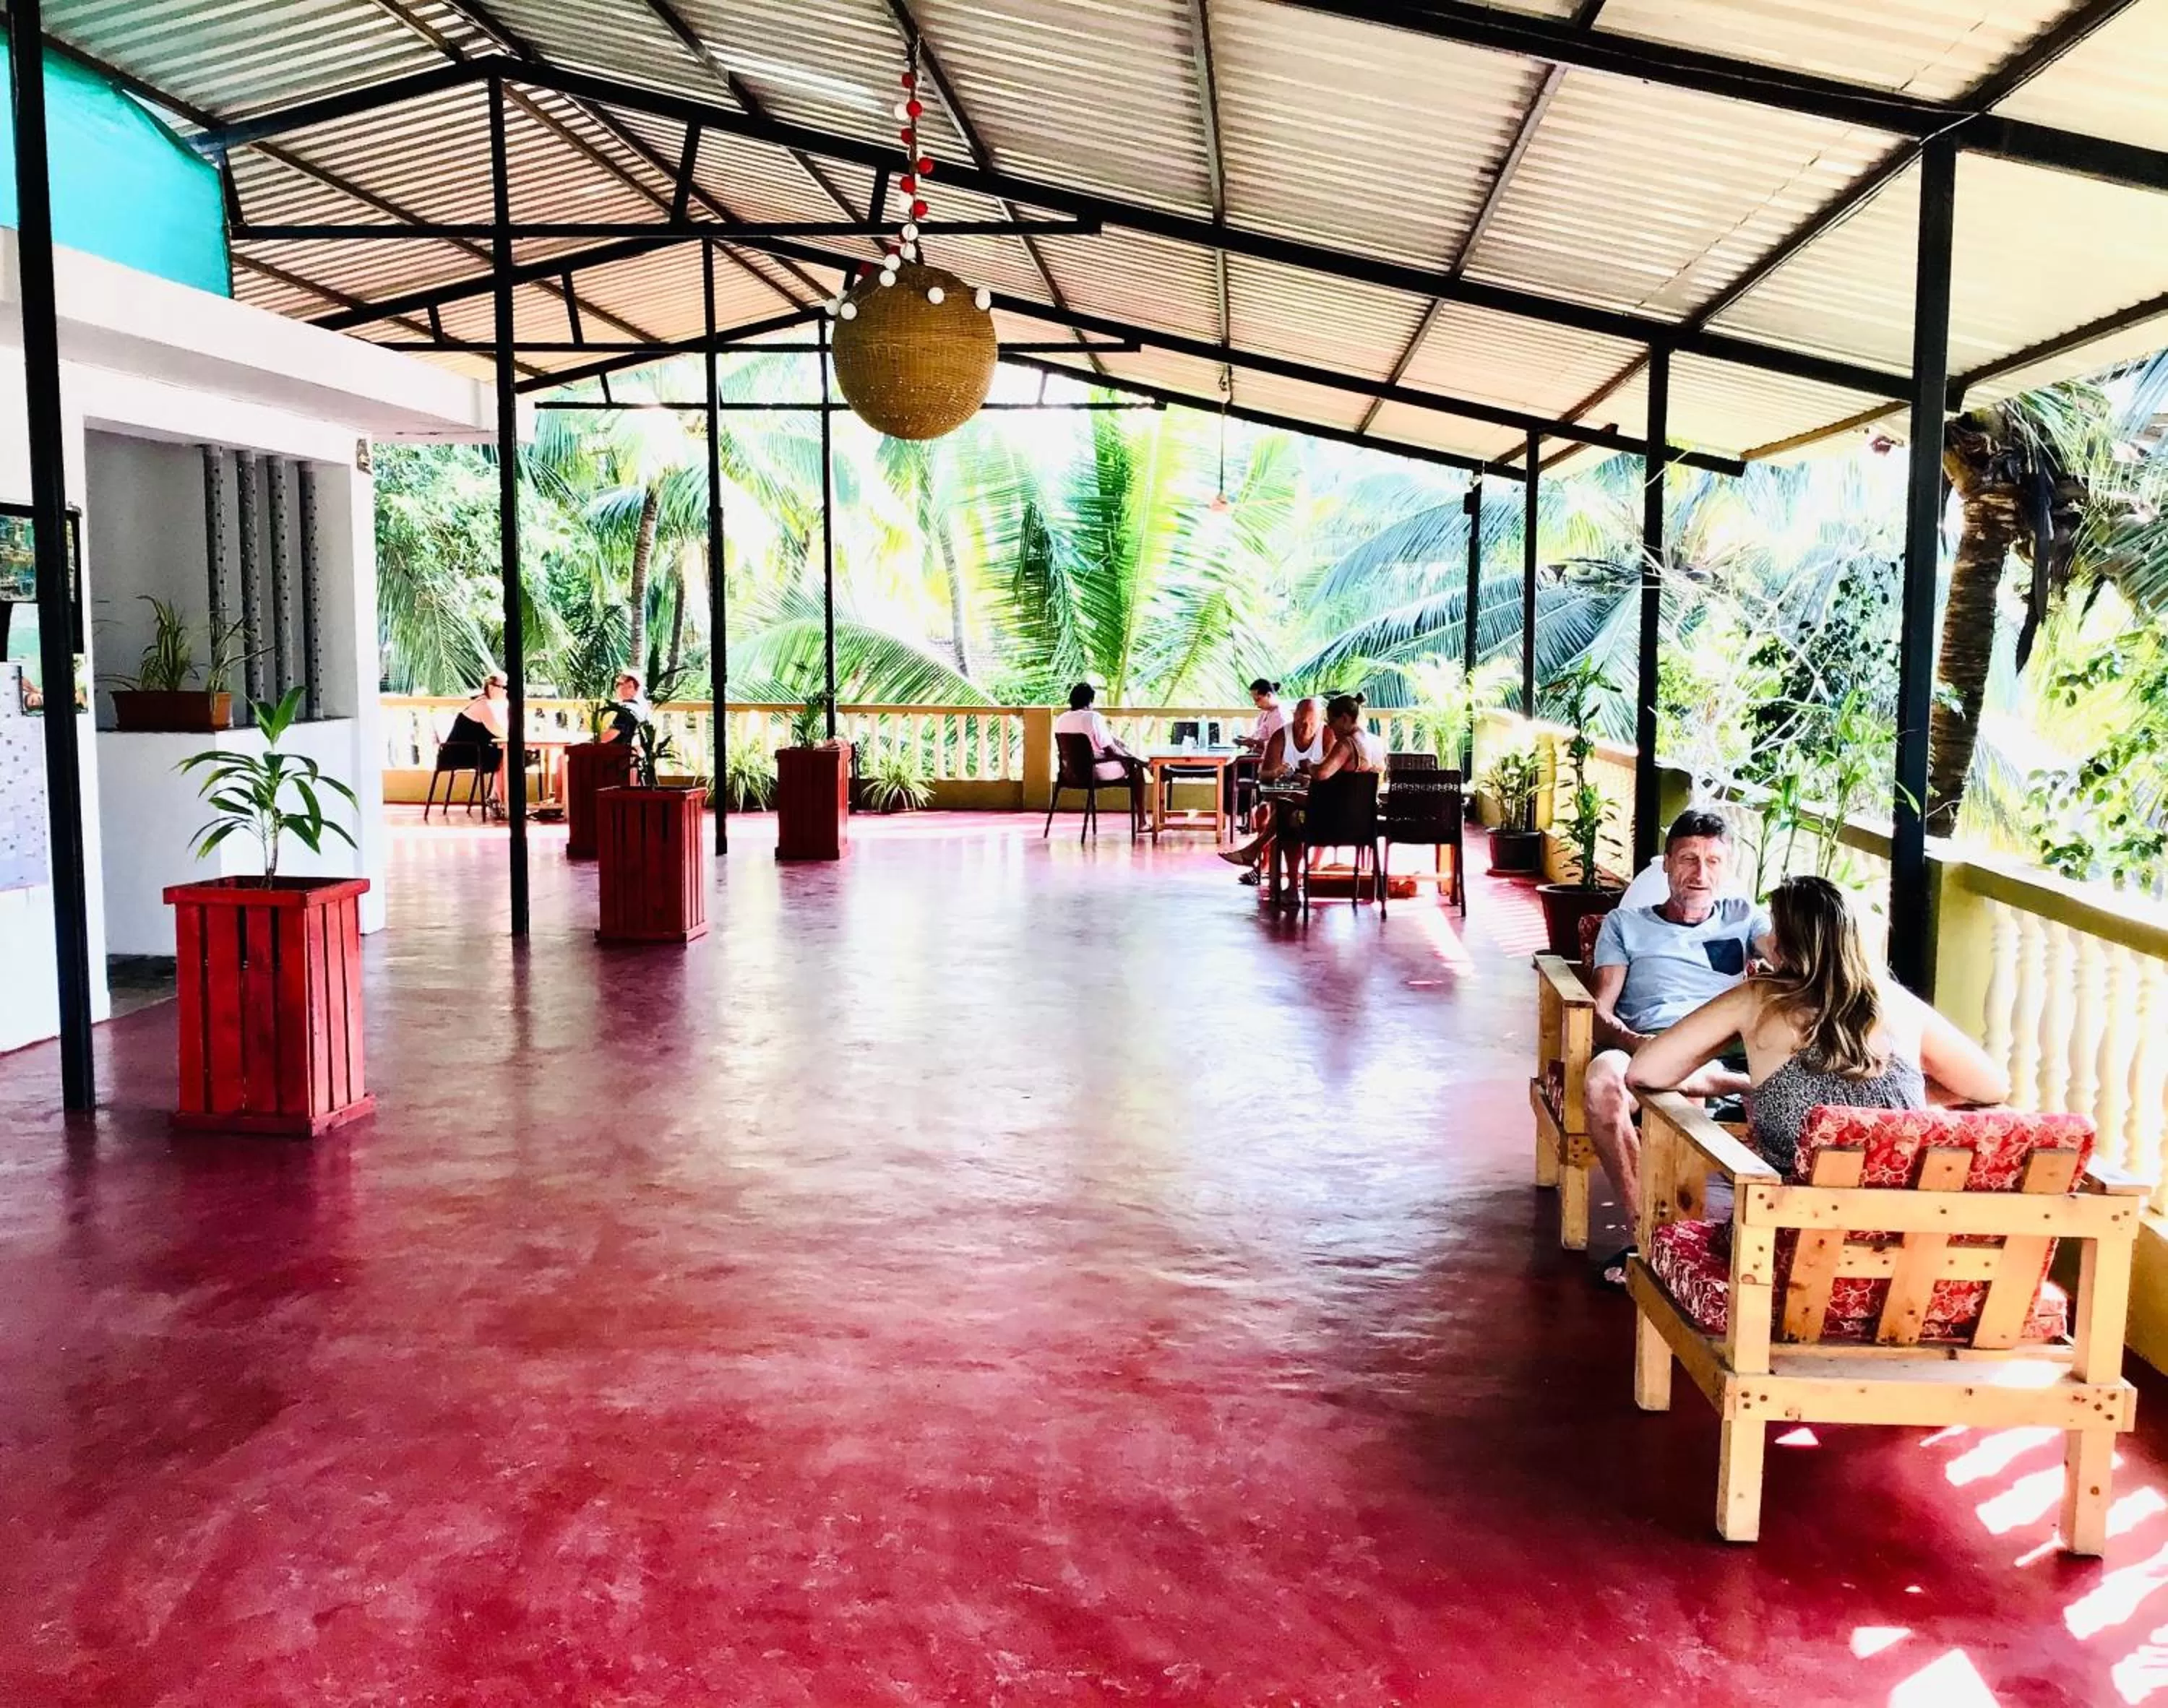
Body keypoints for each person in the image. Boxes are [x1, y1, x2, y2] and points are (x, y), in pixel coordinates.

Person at [1627, 874, 2008, 1177]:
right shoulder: (1896, 1002)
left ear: (1792, 943)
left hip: (1787, 1246)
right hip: (1901, 1245)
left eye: (1775, 929)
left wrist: (1732, 1067)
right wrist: (1886, 1108)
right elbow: (1990, 1086)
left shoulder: (1758, 998)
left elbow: (1645, 1071)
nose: (1767, 939)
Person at [1580, 811, 1769, 1281]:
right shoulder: (1625, 924)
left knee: (1682, 1094)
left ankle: (1653, 1246)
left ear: (1727, 868)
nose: (1700, 874)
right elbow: (1600, 1014)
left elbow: (1794, 956)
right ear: (1666, 864)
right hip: (1642, 1047)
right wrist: (1634, 1041)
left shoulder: (1745, 919)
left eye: (1712, 861)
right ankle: (1650, 1235)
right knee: (1602, 1083)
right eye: (1688, 859)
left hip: (1718, 1050)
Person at [1219, 695, 1322, 883]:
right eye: (1301, 720)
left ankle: (1256, 856)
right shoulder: (1282, 735)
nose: (1305, 727)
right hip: (1286, 793)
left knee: (1286, 814)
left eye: (1311, 722)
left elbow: (1327, 775)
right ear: (1295, 716)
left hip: (1316, 801)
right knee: (1263, 812)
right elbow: (1264, 775)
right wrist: (1277, 771)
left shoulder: (1328, 736)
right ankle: (1263, 865)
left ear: (1320, 720)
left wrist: (1306, 777)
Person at [1052, 682, 1147, 820]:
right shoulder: (1092, 717)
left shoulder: (1062, 719)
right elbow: (1111, 752)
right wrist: (1134, 760)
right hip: (1094, 771)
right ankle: (1142, 821)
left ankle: (1141, 763)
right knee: (1136, 770)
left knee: (1121, 750)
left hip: (1070, 773)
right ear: (1090, 701)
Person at [445, 670, 509, 811]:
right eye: (504, 688)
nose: (506, 692)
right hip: (460, 754)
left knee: (508, 755)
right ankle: (499, 800)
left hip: (474, 751)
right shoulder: (483, 705)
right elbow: (499, 731)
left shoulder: (490, 704)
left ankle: (497, 798)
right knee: (507, 756)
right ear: (492, 688)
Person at [1309, 691, 1384, 779]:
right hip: (1369, 792)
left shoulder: (1346, 744)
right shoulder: (1378, 742)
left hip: (1346, 792)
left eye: (1332, 721)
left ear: (1345, 719)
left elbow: (1321, 773)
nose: (1330, 727)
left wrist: (1310, 765)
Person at [599, 670, 652, 745]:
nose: (623, 688)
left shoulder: (628, 711)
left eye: (629, 686)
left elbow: (611, 735)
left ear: (637, 690)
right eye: (619, 685)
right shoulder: (640, 708)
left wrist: (593, 741)